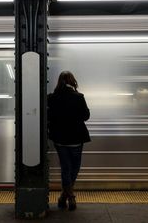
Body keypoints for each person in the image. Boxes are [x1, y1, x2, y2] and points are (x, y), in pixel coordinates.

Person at [47, 71, 90, 211]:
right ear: (73, 81)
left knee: (66, 168)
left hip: (60, 139)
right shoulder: (78, 97)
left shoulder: (51, 98)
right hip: (76, 138)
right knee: (75, 168)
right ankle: (70, 196)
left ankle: (64, 197)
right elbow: (86, 116)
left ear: (59, 82)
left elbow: (48, 117)